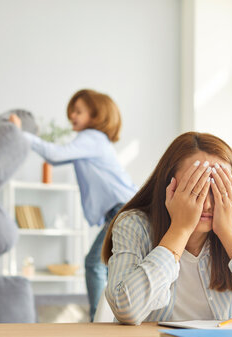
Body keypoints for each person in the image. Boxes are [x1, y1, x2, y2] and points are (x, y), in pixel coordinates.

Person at [101, 132, 232, 325]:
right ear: (169, 187)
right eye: (195, 188)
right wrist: (179, 230)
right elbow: (126, 310)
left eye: (218, 189)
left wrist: (229, 233)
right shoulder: (134, 225)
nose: (207, 204)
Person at [10, 89, 137, 320]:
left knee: (94, 263)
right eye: (71, 113)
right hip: (123, 208)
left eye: (78, 112)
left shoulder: (93, 138)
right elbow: (54, 157)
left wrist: (22, 135)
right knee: (108, 266)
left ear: (96, 115)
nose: (72, 117)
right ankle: (108, 316)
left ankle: (97, 318)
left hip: (123, 207)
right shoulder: (93, 141)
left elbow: (56, 154)